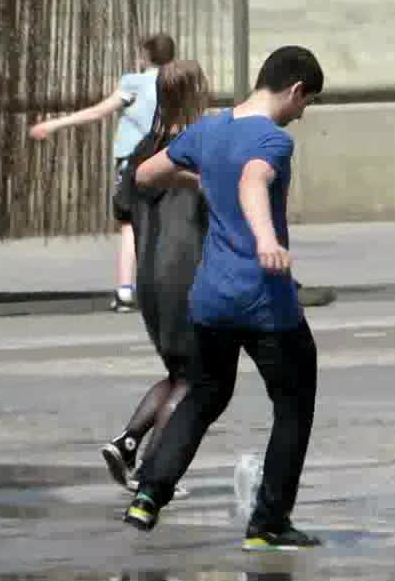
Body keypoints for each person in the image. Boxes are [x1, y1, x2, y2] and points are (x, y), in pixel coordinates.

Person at [124, 46, 324, 552]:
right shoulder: (272, 139)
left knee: (206, 394)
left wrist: (201, 176)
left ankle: (148, 493)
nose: (302, 114)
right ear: (295, 90)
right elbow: (255, 180)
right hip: (262, 298)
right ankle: (268, 523)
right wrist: (266, 238)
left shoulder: (207, 130)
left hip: (210, 298)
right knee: (294, 403)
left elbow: (144, 174)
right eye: (306, 103)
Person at [101, 61, 211, 497]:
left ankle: (128, 443)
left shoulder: (141, 150)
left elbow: (123, 210)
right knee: (197, 379)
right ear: (196, 94)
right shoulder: (197, 147)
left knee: (180, 371)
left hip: (149, 278)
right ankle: (154, 472)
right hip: (186, 274)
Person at [30, 33, 176, 313]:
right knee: (166, 222)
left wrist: (53, 125)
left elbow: (97, 112)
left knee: (130, 225)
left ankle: (125, 291)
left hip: (135, 162)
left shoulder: (133, 83)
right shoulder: (177, 84)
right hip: (168, 160)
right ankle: (165, 288)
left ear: (145, 56)